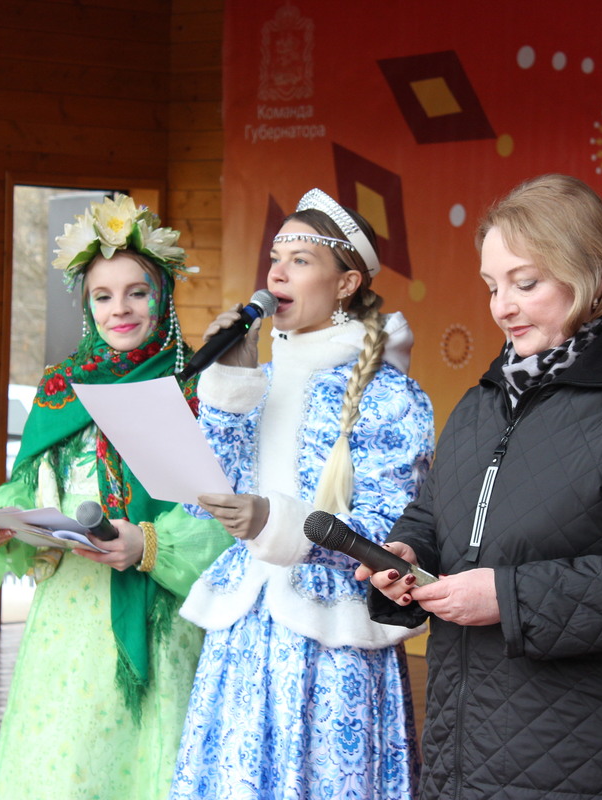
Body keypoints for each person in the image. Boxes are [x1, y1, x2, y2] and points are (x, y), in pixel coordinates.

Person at [362, 174, 602, 799]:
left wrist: (509, 598)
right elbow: (438, 512)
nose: (501, 307)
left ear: (593, 273)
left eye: (526, 283)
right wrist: (408, 553)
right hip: (473, 756)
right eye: (492, 286)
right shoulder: (486, 400)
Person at [0, 194, 232, 800]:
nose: (120, 309)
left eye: (137, 292)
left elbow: (222, 518)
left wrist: (149, 544)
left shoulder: (200, 389)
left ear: (163, 297)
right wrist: (1, 523)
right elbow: (32, 484)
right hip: (67, 617)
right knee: (63, 763)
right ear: (87, 306)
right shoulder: (61, 386)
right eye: (103, 297)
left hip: (160, 618)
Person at [169, 188, 436, 800]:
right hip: (244, 631)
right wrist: (228, 385)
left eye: (300, 259)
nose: (277, 273)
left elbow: (392, 534)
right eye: (274, 258)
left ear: (346, 284)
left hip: (333, 643)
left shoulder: (390, 396)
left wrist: (277, 522)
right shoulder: (256, 379)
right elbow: (197, 497)